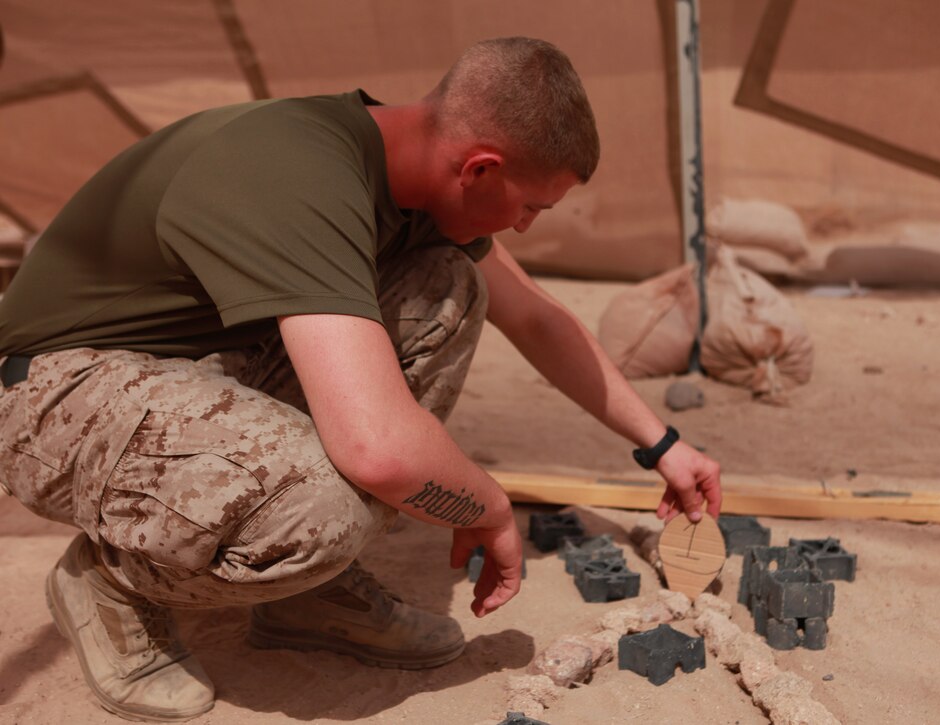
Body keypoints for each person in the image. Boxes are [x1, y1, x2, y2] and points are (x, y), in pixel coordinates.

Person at [0, 37, 722, 721]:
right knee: (326, 501)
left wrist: (662, 444)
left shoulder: (413, 179)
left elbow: (536, 319)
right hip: (54, 389)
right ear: (478, 168)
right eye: (532, 205)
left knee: (449, 285)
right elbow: (378, 449)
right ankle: (110, 580)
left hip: (185, 367)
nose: (528, 225)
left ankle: (303, 596)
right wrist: (488, 506)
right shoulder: (301, 174)